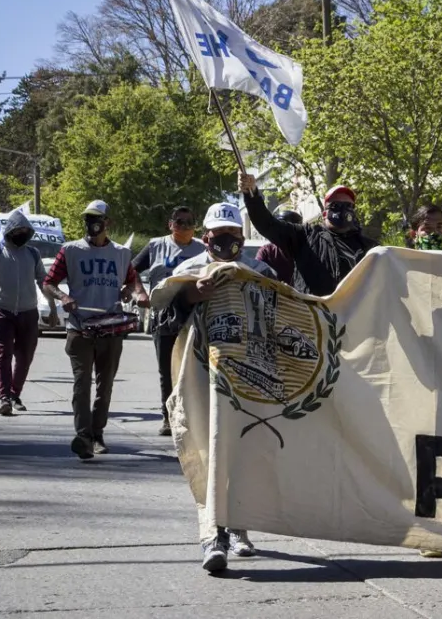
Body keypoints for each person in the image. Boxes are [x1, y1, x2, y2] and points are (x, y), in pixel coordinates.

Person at [153, 202, 278, 574]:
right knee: (208, 457)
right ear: (206, 237)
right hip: (201, 377)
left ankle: (239, 528)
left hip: (249, 380)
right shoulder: (187, 271)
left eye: (233, 234)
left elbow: (283, 314)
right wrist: (193, 295)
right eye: (219, 235)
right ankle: (212, 537)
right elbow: (162, 322)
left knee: (242, 457)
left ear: (242, 236)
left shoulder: (261, 271)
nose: (226, 241)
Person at [42, 200, 149, 460]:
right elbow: (49, 282)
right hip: (80, 328)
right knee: (81, 385)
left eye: (97, 218)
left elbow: (133, 282)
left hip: (111, 328)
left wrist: (138, 294)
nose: (92, 224)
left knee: (105, 385)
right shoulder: (70, 250)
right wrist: (63, 298)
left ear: (108, 223)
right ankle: (83, 436)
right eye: (88, 218)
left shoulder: (121, 253)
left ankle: (97, 432)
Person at [239, 172, 376, 296]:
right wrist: (251, 195)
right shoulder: (305, 236)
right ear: (324, 213)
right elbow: (267, 224)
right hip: (313, 318)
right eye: (335, 206)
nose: (343, 210)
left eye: (348, 206)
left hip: (353, 319)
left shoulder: (370, 248)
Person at [132, 206, 205, 436]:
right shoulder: (156, 246)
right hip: (164, 316)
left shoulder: (202, 249)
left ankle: (193, 417)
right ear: (170, 224)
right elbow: (130, 270)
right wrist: (139, 293)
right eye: (179, 222)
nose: (184, 226)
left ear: (195, 225)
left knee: (194, 369)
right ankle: (168, 417)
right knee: (167, 369)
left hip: (195, 316)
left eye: (189, 222)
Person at [0, 210, 48, 416]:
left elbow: (42, 279)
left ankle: (15, 393)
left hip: (28, 312)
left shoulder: (33, 253)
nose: (23, 234)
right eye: (19, 230)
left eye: (26, 231)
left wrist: (52, 304)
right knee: (3, 353)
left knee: (25, 356)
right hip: (2, 311)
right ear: (10, 231)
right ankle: (4, 397)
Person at [255, 209, 303, 285]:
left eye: (292, 230)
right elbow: (256, 273)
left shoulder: (308, 250)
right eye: (282, 230)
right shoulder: (266, 251)